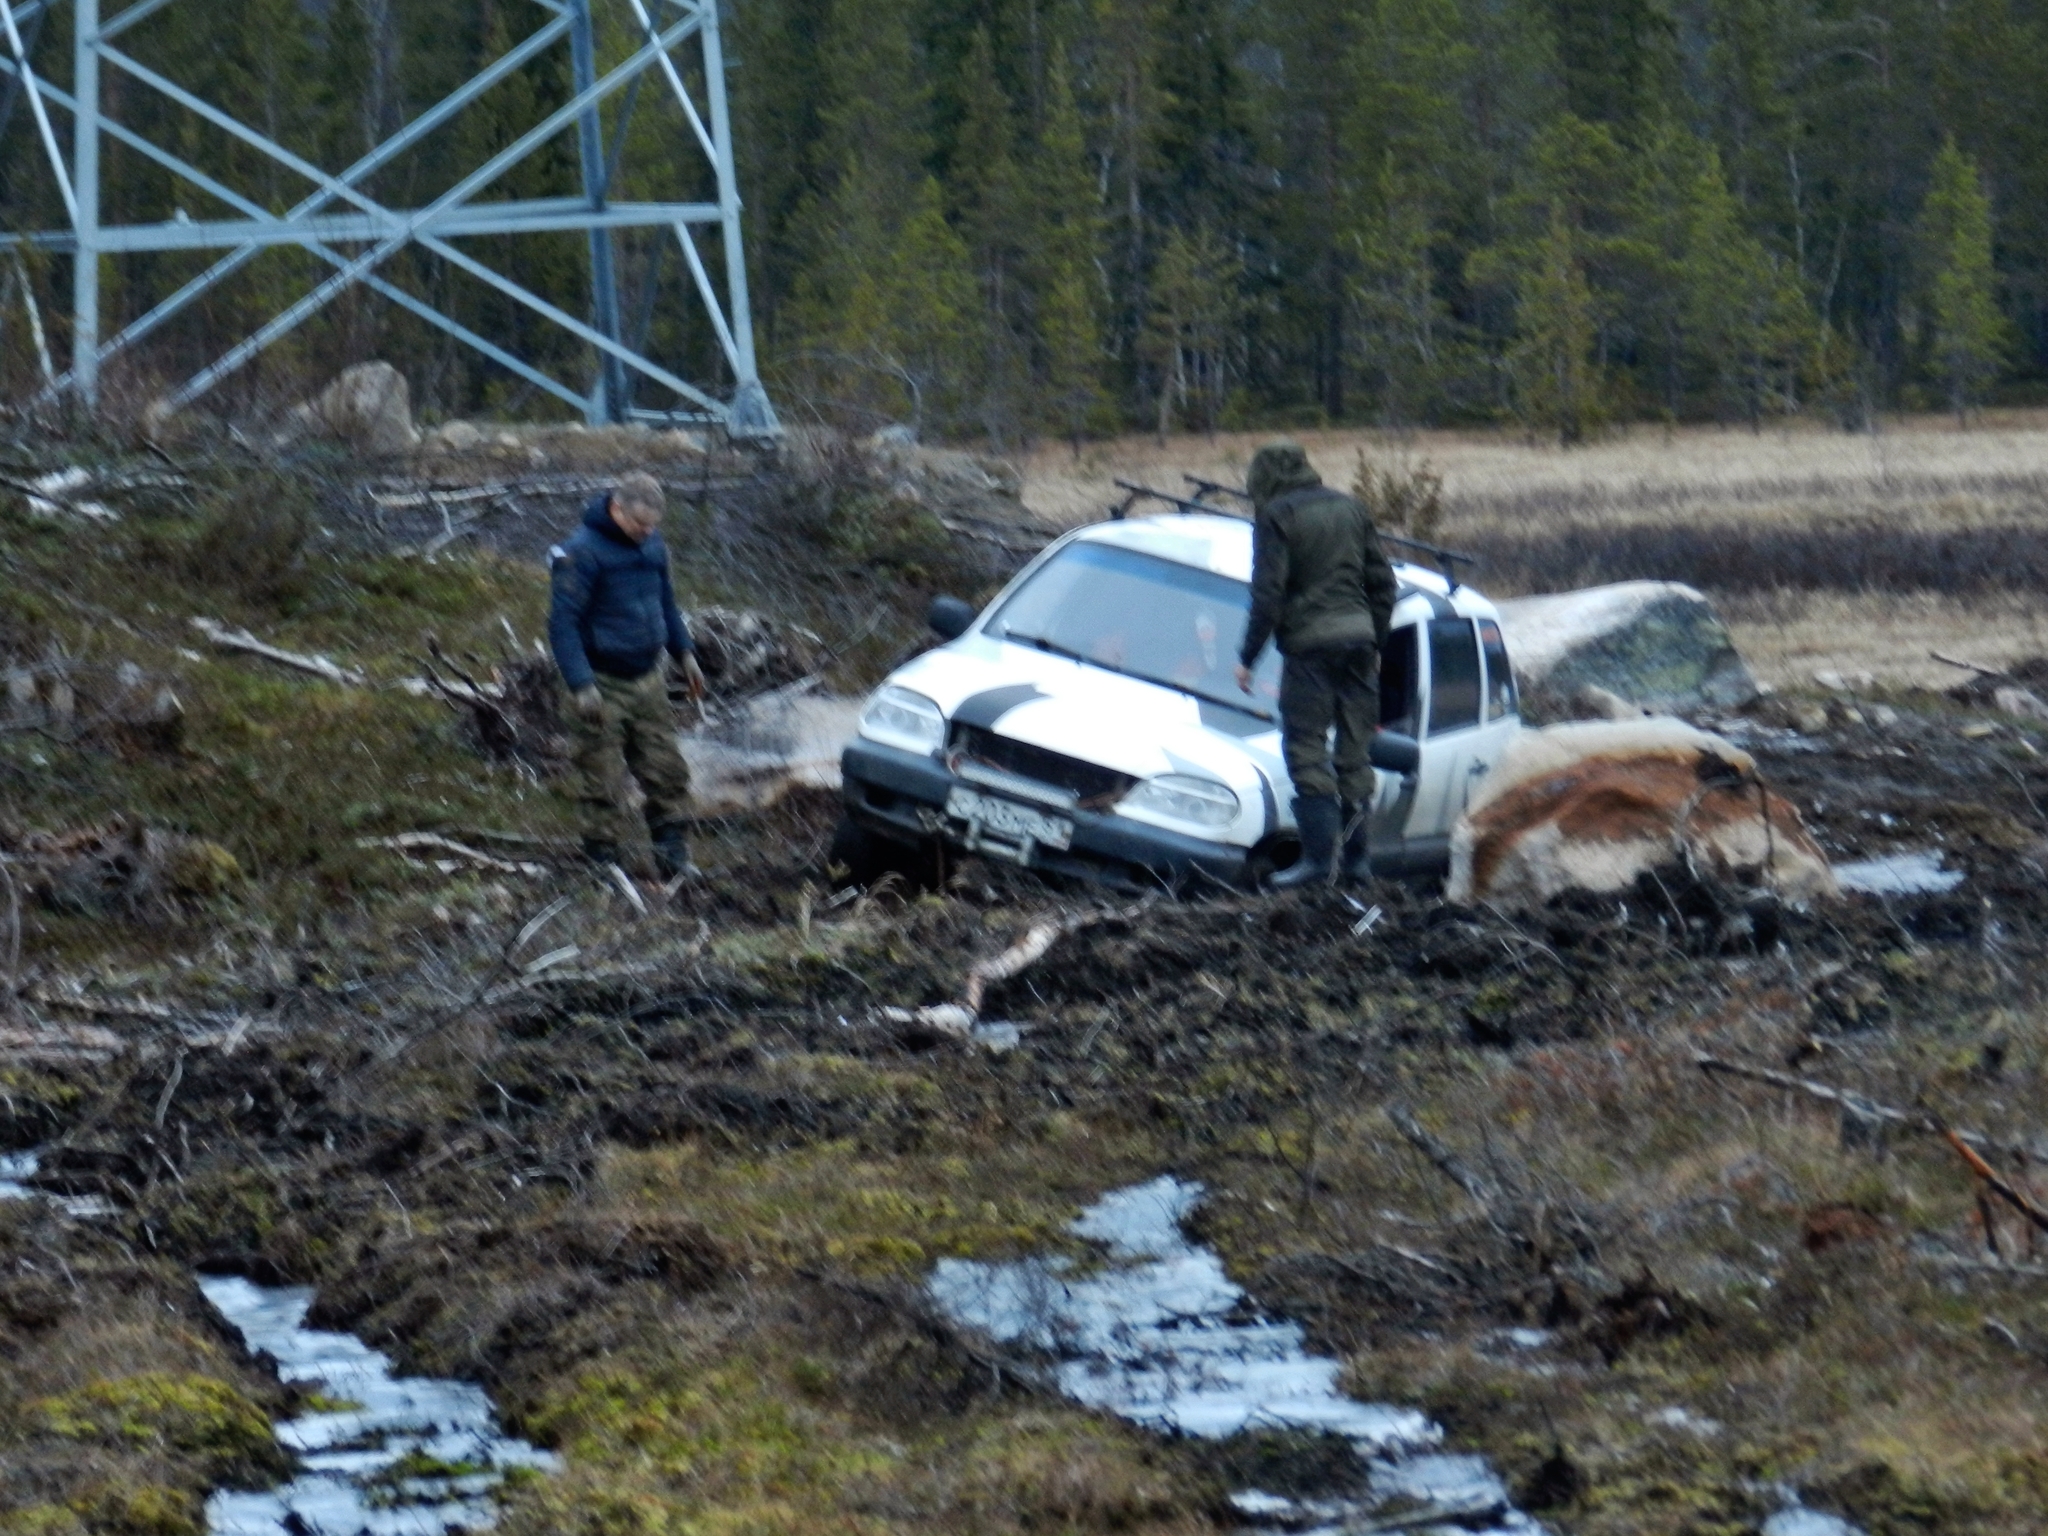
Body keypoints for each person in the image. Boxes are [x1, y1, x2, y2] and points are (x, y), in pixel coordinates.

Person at [1233, 441, 1398, 889]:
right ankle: (1358, 862)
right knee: (1354, 752)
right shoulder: (1352, 508)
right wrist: (1374, 639)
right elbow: (1384, 584)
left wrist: (1248, 657)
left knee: (1306, 748)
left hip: (1310, 650)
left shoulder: (1276, 517)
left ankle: (1318, 865)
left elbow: (1267, 595)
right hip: (1360, 644)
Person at [547, 470, 707, 878]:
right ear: (616, 509)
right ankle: (604, 868)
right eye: (639, 524)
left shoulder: (652, 545)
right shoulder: (580, 553)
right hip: (600, 683)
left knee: (667, 771)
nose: (646, 532)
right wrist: (581, 685)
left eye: (652, 526)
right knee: (601, 781)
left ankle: (673, 861)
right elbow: (562, 624)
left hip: (647, 680)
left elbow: (666, 602)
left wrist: (684, 651)